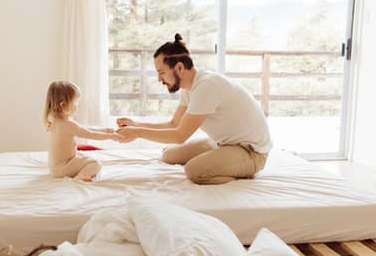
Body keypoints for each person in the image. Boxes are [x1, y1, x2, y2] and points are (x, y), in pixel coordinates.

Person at [116, 33, 272, 184]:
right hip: (224, 143)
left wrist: (137, 133)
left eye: (161, 73)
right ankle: (224, 160)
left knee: (194, 171)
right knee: (168, 155)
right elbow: (174, 124)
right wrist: (136, 125)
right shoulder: (189, 87)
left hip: (251, 152)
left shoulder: (207, 86)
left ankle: (243, 172)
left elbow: (179, 136)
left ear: (179, 68)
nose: (159, 79)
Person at [43, 80, 121, 181]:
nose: (77, 106)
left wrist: (104, 130)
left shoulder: (53, 119)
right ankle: (81, 177)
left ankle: (78, 172)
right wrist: (111, 137)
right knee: (96, 164)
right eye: (75, 102)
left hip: (55, 167)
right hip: (62, 168)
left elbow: (83, 129)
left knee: (82, 156)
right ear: (63, 105)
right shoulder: (68, 124)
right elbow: (90, 134)